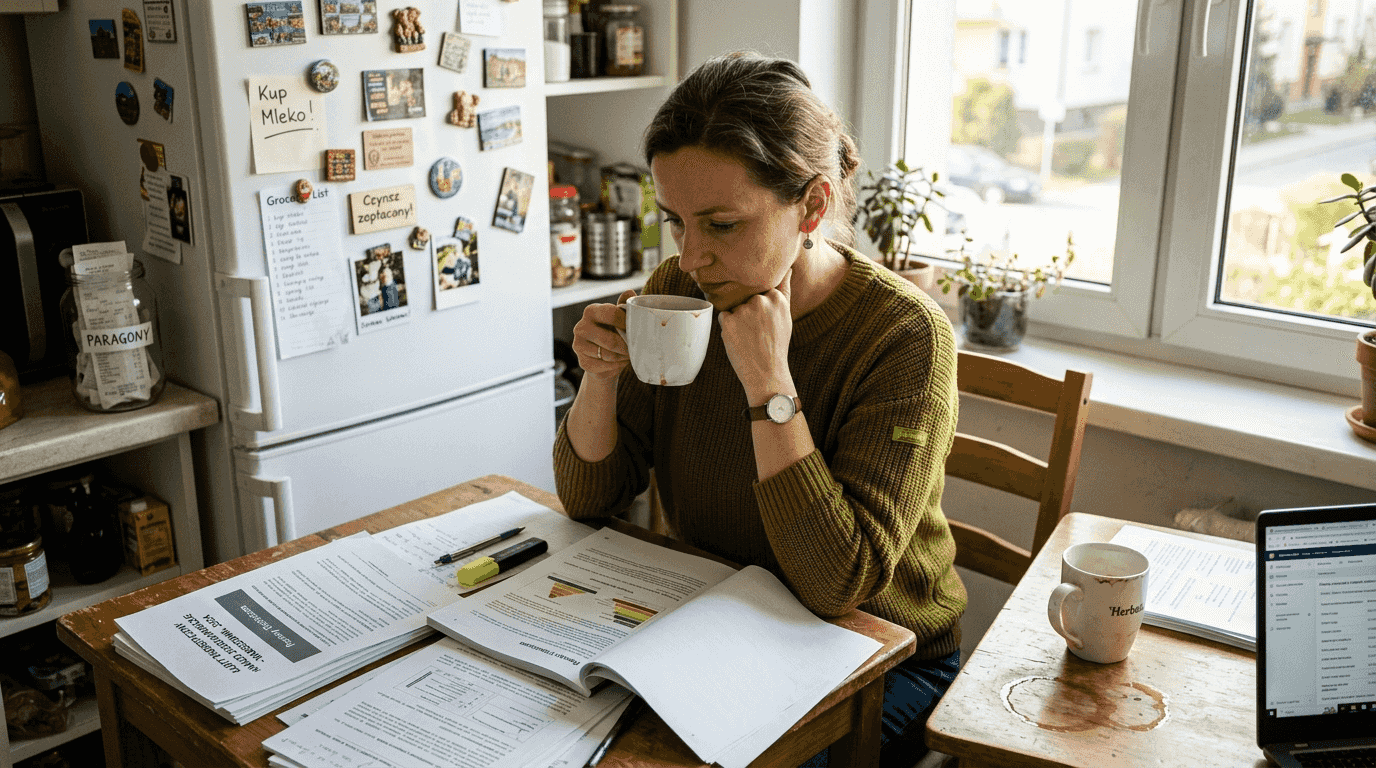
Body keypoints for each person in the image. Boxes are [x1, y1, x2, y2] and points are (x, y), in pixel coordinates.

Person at [553, 52, 966, 767]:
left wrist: (769, 382)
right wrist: (598, 377)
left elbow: (838, 585)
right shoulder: (677, 293)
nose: (691, 257)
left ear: (811, 205)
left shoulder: (904, 338)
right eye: (676, 221)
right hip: (713, 620)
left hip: (874, 652)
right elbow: (588, 497)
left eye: (720, 224)